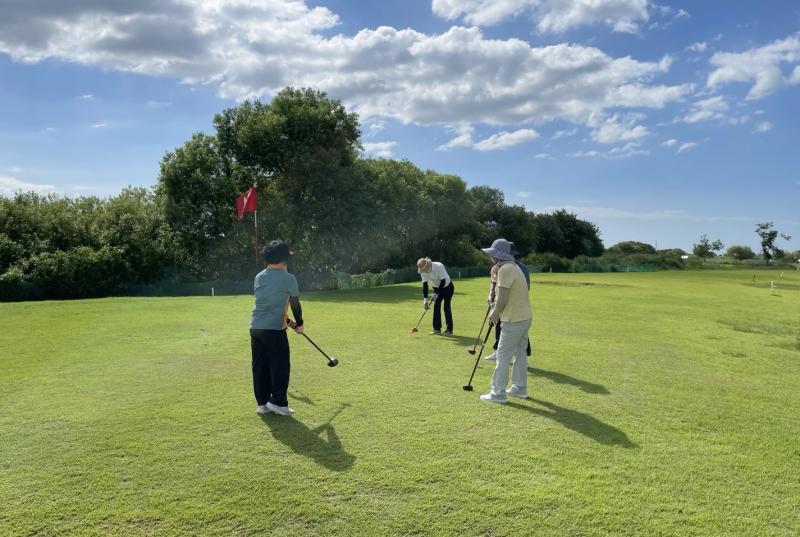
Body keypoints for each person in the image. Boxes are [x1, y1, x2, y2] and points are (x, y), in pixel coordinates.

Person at [250, 239, 304, 416]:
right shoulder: (289, 278)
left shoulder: (259, 276)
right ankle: (278, 402)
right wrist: (300, 324)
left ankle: (262, 404)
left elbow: (270, 304)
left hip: (256, 328)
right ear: (284, 259)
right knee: (280, 366)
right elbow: (294, 304)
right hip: (274, 330)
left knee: (260, 366)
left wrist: (289, 322)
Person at [479, 238, 532, 403]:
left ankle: (498, 394)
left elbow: (502, 299)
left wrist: (494, 314)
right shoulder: (514, 267)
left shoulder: (505, 270)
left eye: (492, 255)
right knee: (520, 353)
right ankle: (519, 388)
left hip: (513, 319)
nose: (490, 258)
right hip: (525, 317)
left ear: (497, 256)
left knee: (502, 356)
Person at [485, 241, 531, 361]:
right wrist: (491, 294)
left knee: (515, 341)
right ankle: (498, 352)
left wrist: (495, 311)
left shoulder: (517, 268)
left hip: (514, 311)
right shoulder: (497, 268)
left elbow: (523, 289)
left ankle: (520, 355)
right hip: (506, 308)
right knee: (499, 328)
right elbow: (494, 283)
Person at [416, 257, 455, 335]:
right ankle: (436, 329)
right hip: (437, 288)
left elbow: (443, 281)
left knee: (446, 307)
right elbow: (425, 285)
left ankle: (449, 330)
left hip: (447, 287)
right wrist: (425, 300)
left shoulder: (438, 266)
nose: (424, 271)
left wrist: (437, 293)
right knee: (436, 306)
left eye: (424, 269)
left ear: (427, 265)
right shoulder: (423, 272)